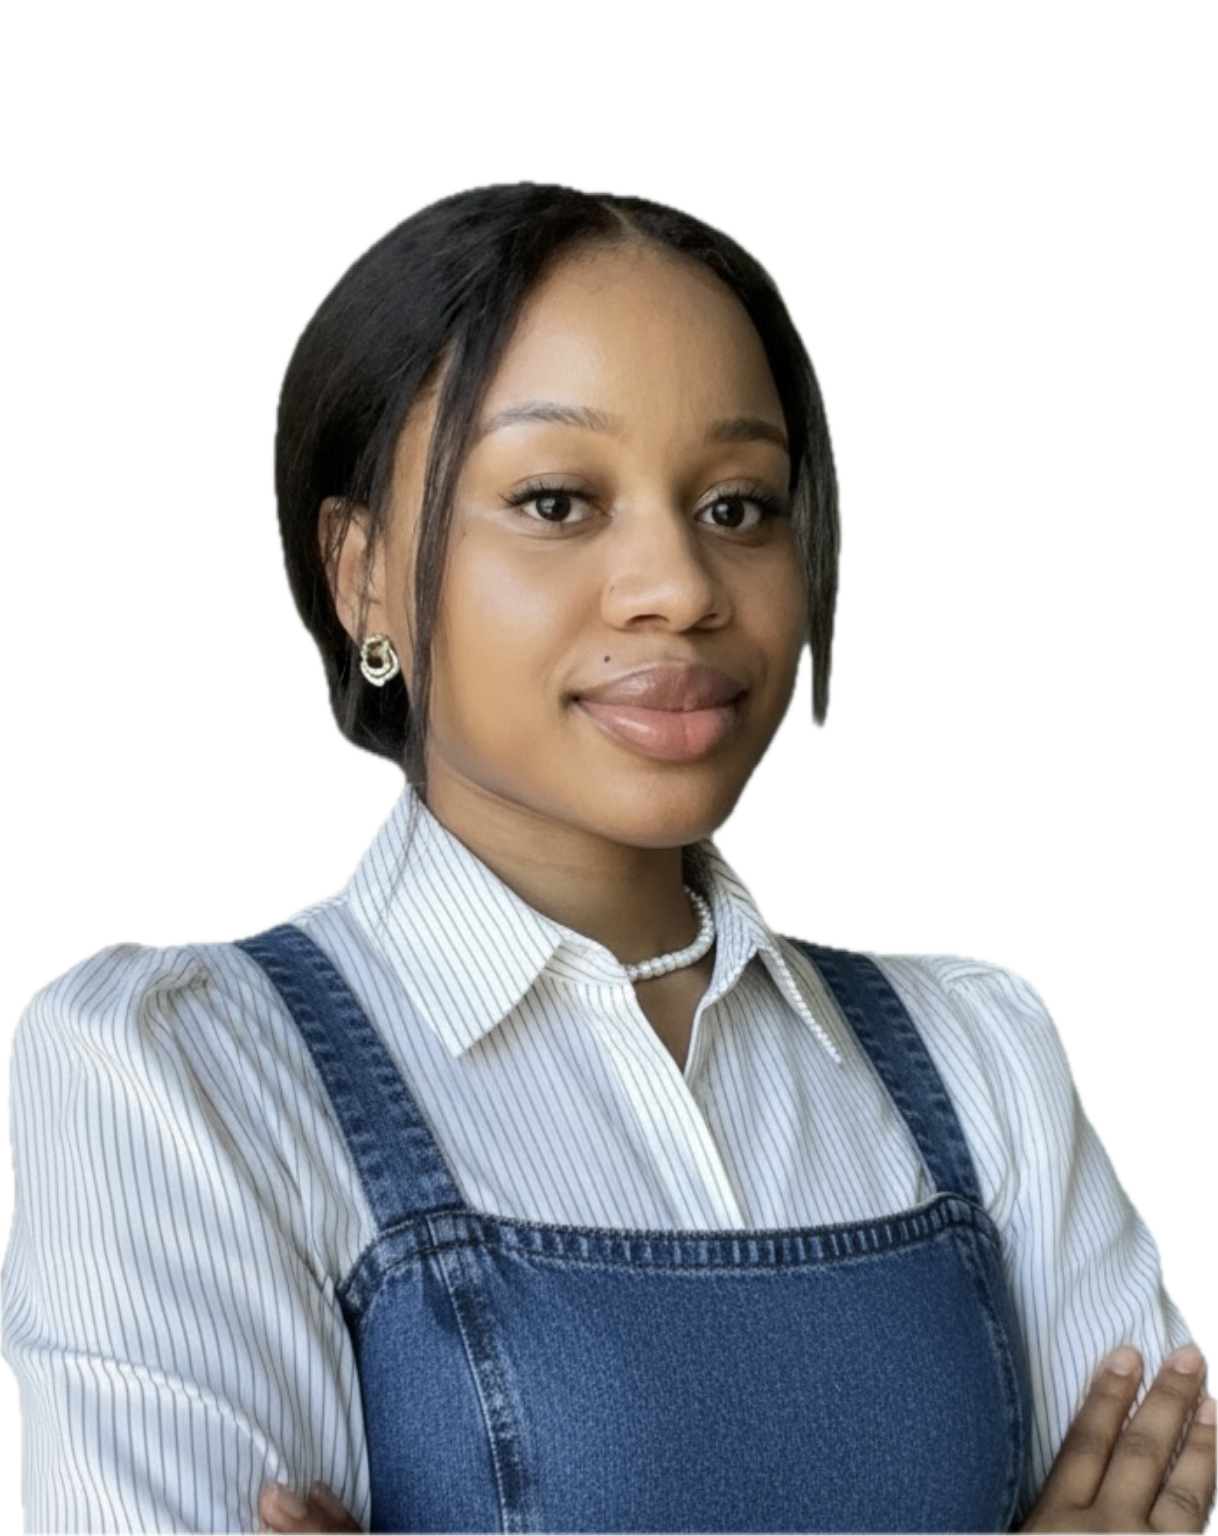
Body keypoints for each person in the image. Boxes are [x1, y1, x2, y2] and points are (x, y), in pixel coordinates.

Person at [1, 180, 1213, 1536]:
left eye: (740, 506)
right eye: (558, 498)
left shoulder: (983, 1056)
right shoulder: (186, 1064)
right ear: (361, 574)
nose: (682, 587)